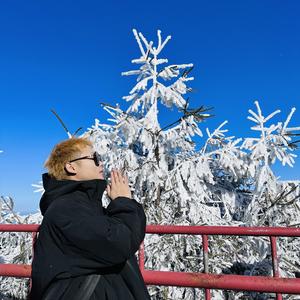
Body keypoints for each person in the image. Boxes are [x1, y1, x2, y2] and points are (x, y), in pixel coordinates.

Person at [29, 137, 150, 300]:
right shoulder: (67, 208)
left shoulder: (80, 206)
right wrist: (124, 202)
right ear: (71, 167)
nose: (100, 163)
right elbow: (118, 242)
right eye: (94, 158)